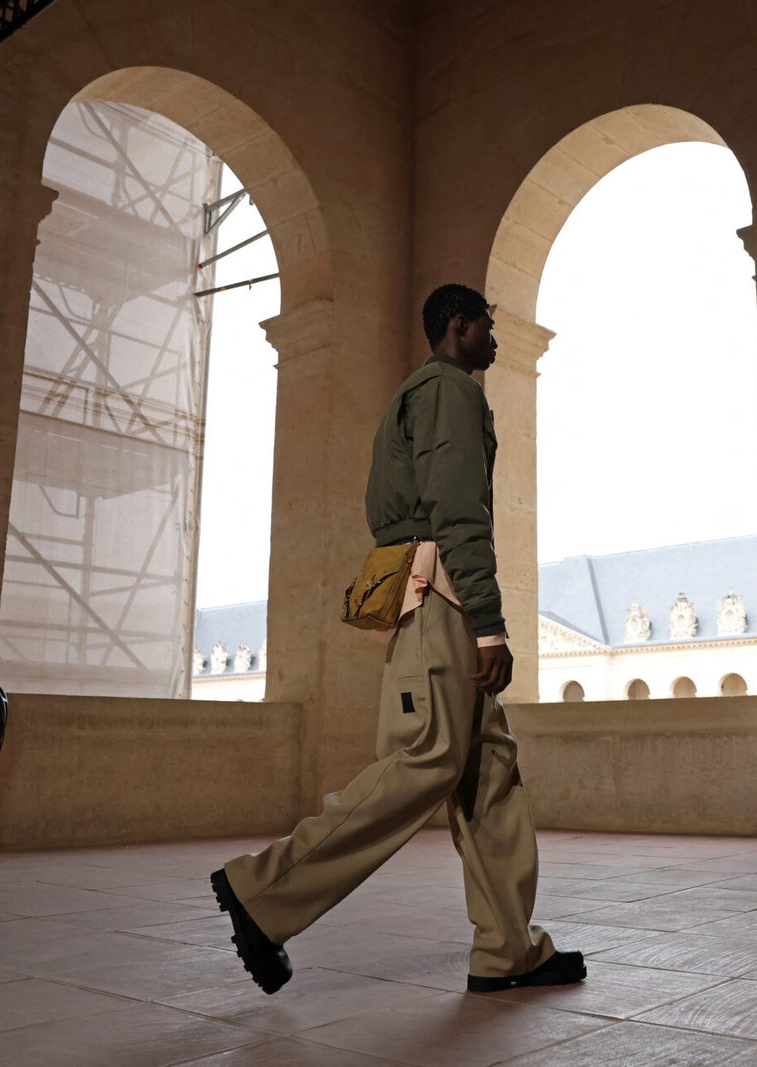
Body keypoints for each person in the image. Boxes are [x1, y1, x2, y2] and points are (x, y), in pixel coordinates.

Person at [209, 284, 585, 996]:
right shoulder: (449, 393)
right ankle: (261, 891)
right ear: (457, 325)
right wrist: (487, 623)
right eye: (488, 326)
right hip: (444, 602)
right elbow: (455, 509)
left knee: (489, 773)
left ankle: (508, 949)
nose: (496, 339)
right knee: (427, 759)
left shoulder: (422, 394)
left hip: (429, 595)